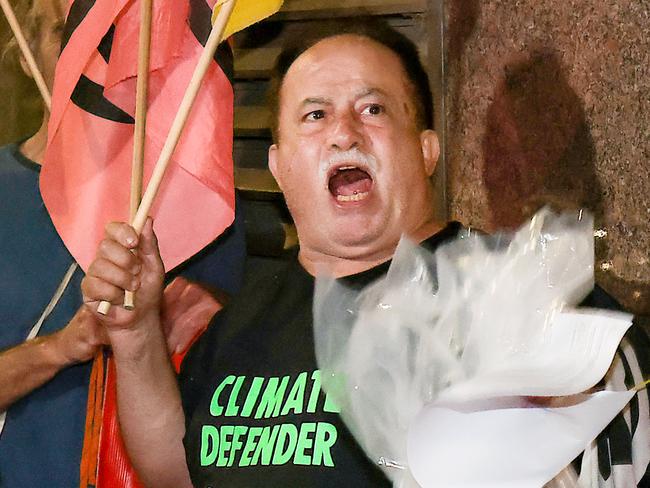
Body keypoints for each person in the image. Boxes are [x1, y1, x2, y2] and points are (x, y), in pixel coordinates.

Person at [81, 19, 649, 488]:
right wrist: (135, 338)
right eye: (314, 115)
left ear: (426, 149)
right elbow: (177, 473)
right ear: (278, 168)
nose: (344, 134)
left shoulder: (514, 294)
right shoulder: (241, 321)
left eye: (373, 109)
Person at [0, 0, 246, 486]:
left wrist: (161, 324)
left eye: (115, 29)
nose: (98, 51)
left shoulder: (197, 198)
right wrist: (62, 348)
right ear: (26, 57)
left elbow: (219, 387)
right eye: (68, 32)